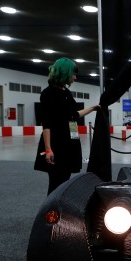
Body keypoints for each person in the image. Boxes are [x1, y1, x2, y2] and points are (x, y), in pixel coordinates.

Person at [35, 57, 100, 195]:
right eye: (73, 74)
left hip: (69, 144)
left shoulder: (66, 93)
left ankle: (60, 212)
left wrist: (93, 108)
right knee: (56, 184)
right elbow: (46, 123)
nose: (75, 77)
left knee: (64, 182)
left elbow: (74, 115)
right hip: (56, 145)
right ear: (64, 74)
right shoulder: (48, 94)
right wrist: (48, 150)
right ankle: (50, 213)